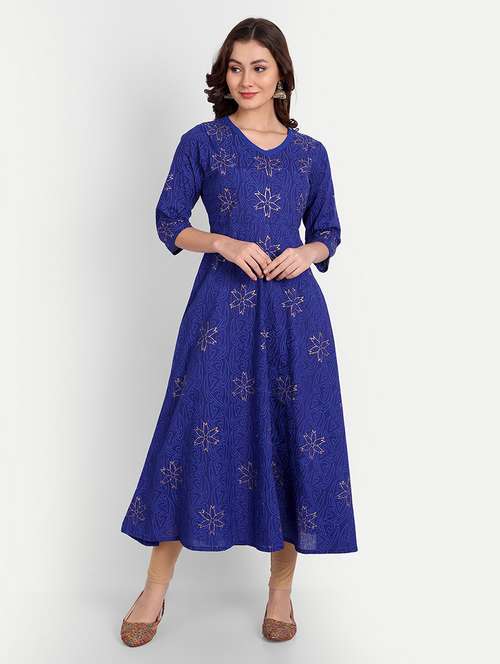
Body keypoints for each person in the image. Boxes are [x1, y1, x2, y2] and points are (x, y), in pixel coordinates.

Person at [120, 17, 358, 647]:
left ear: (280, 73)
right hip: (220, 314)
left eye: (258, 66)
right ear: (223, 75)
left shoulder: (311, 154)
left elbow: (329, 230)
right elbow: (169, 219)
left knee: (294, 440)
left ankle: (280, 591)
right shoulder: (203, 142)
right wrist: (222, 242)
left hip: (295, 319)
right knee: (189, 436)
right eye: (235, 67)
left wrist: (307, 253)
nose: (246, 79)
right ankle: (154, 589)